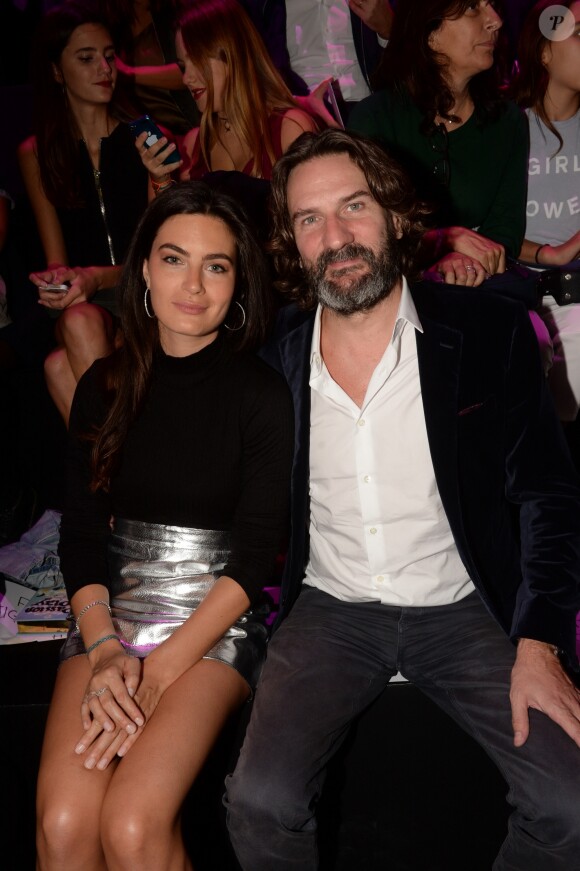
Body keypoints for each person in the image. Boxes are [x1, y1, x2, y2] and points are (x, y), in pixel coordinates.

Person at [224, 128, 580, 870]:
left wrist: (540, 642)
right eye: (309, 219)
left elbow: (549, 495)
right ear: (290, 242)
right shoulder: (271, 361)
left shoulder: (489, 333)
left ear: (392, 212)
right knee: (260, 801)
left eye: (354, 206)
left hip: (467, 607)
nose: (337, 236)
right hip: (332, 609)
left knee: (568, 805)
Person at [35, 180, 293, 870]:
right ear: (143, 269)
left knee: (132, 824)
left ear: (239, 283)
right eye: (175, 258)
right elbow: (83, 534)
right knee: (63, 824)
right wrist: (108, 651)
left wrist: (156, 672)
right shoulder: (105, 387)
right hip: (111, 617)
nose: (194, 284)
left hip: (214, 623)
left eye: (217, 265)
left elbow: (253, 560)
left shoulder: (263, 397)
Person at [18, 1, 149, 425]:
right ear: (57, 71)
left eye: (109, 57)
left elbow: (161, 253)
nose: (104, 69)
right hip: (80, 302)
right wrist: (55, 278)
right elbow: (56, 256)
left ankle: (113, 480)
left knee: (59, 369)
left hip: (138, 290)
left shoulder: (143, 139)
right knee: (77, 320)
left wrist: (99, 277)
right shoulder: (37, 153)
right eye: (86, 58)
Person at [348, 0, 528, 287]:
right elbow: (366, 231)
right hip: (395, 286)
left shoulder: (507, 121)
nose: (496, 20)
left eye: (492, 5)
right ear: (429, 33)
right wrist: (444, 243)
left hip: (478, 284)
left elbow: (505, 228)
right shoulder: (375, 118)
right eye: (472, 7)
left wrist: (466, 264)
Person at [137, 0, 319, 195]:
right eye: (183, 66)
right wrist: (161, 180)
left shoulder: (289, 129)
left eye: (197, 61)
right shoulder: (194, 146)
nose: (186, 78)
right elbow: (167, 223)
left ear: (232, 55)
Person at [510, 0, 580, 422]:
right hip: (522, 297)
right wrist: (551, 252)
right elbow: (483, 234)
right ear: (545, 50)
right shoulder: (505, 128)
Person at [241, 0, 394, 117]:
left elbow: (411, 63)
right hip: (302, 116)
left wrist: (389, 29)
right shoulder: (259, 6)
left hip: (373, 109)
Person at [98, 0, 200, 135]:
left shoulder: (176, 11)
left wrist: (129, 74)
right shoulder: (110, 25)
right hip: (146, 136)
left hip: (189, 128)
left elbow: (196, 71)